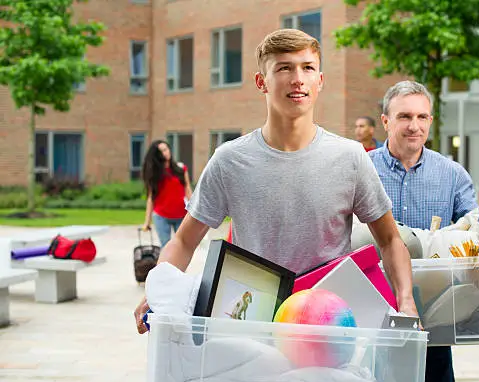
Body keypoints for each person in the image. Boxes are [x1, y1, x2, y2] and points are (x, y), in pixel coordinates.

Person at [134, 29, 418, 334]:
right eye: (284, 68)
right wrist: (158, 289)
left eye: (307, 68)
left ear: (319, 81)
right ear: (262, 82)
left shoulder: (350, 157)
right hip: (253, 321)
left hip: (329, 325)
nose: (298, 78)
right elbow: (184, 240)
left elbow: (390, 240)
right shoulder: (230, 160)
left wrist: (406, 301)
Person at [368, 80, 479, 382]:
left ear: (430, 121)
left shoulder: (452, 174)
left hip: (432, 308)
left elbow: (475, 220)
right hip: (375, 301)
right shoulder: (363, 168)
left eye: (422, 117)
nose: (414, 126)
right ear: (386, 121)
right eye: (404, 116)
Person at [141, 140, 192, 248]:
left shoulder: (181, 168)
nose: (165, 152)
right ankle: (166, 265)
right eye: (161, 151)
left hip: (181, 215)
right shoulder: (154, 173)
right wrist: (147, 222)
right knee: (166, 247)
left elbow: (187, 188)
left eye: (166, 149)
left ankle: (179, 266)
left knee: (183, 247)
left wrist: (194, 210)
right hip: (161, 216)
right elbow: (151, 197)